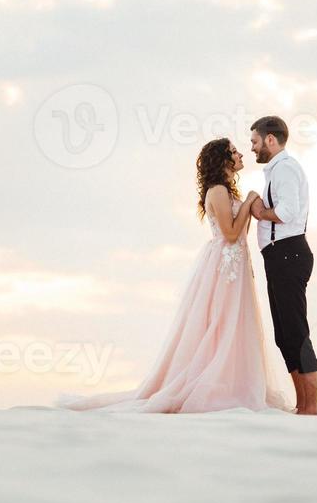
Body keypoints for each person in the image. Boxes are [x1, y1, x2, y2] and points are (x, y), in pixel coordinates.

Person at [58, 138, 288, 414]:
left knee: (236, 323)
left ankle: (234, 382)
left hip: (236, 264)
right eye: (234, 151)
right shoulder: (216, 191)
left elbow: (239, 236)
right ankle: (209, 383)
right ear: (223, 159)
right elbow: (229, 234)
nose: (241, 154)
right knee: (219, 323)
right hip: (223, 267)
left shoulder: (227, 191)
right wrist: (251, 199)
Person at [248, 115, 317, 416]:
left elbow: (287, 212)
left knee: (296, 332)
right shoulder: (275, 171)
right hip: (279, 256)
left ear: (270, 140)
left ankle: (311, 407)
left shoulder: (285, 169)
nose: (252, 148)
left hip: (289, 254)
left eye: (254, 141)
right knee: (283, 334)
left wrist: (260, 212)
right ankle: (302, 404)